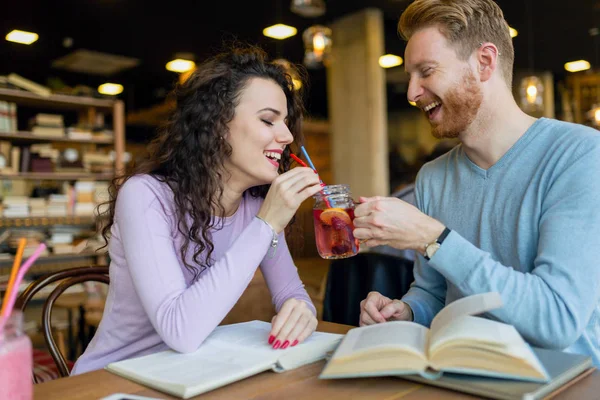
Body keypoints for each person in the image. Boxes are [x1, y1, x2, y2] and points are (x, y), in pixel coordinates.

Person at [353, 0, 600, 366]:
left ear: (484, 62)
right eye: (410, 76)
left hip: (564, 383)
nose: (411, 93)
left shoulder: (580, 155)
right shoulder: (432, 177)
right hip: (466, 375)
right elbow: (436, 293)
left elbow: (556, 320)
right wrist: (405, 312)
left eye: (426, 71)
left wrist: (434, 238)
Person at [72, 45, 324, 374]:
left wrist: (301, 311)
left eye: (287, 123)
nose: (287, 135)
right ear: (218, 124)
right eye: (268, 120)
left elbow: (291, 292)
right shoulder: (146, 196)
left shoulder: (255, 205)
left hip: (187, 375)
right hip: (113, 379)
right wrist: (266, 224)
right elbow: (182, 331)